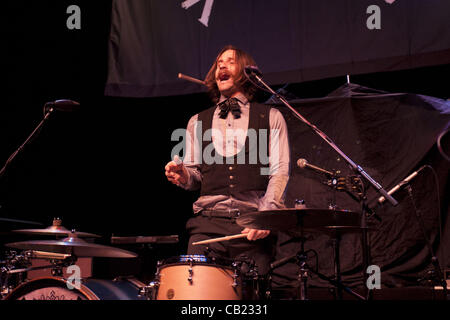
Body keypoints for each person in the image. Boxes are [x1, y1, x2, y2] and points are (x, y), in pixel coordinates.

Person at [164, 45, 290, 276]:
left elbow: (279, 171)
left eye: (230, 61)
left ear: (246, 72)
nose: (222, 65)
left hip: (251, 227)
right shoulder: (196, 121)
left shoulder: (271, 117)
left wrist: (264, 217)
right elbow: (194, 177)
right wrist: (183, 174)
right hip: (206, 228)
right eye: (219, 62)